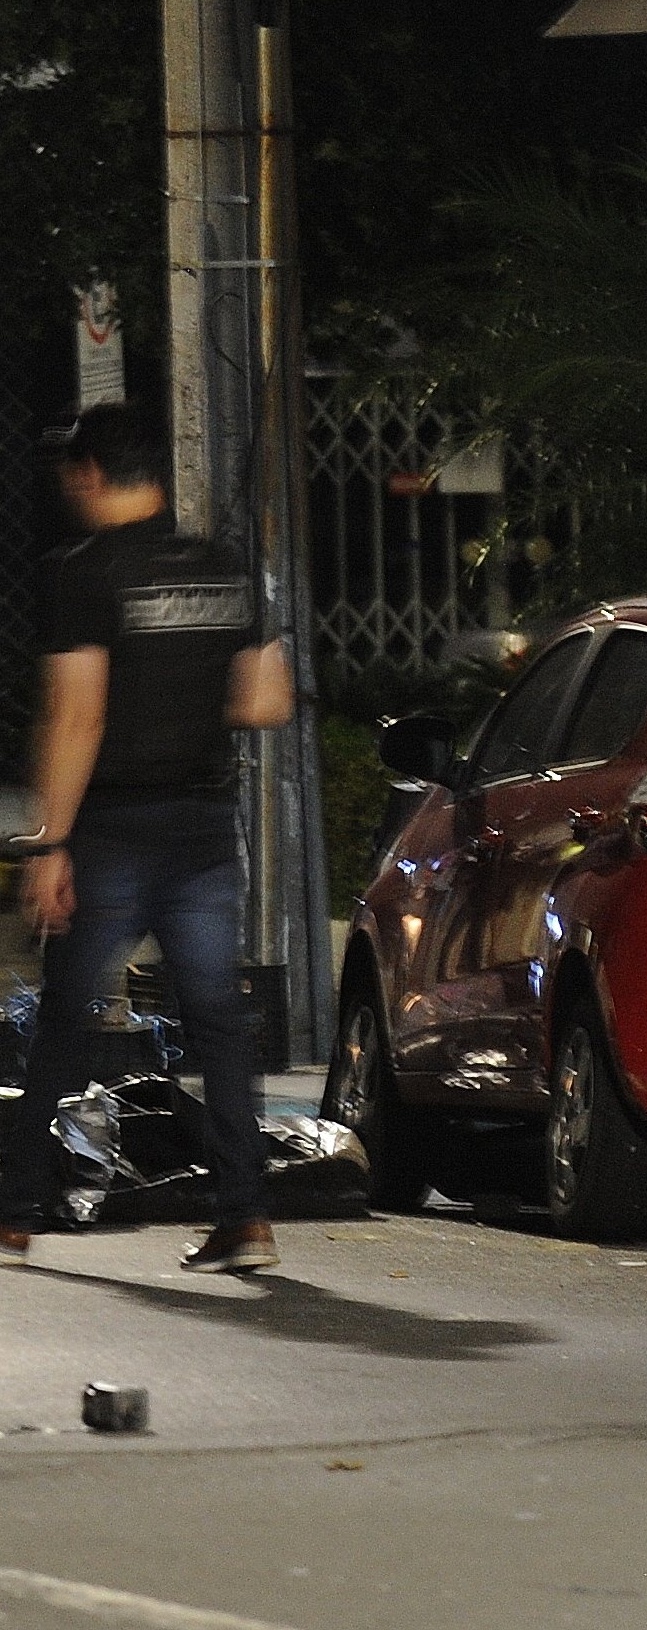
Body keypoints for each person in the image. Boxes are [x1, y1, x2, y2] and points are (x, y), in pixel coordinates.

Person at [1, 404, 293, 1273]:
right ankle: (246, 1216)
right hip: (204, 825)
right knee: (218, 1024)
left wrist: (49, 843)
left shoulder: (83, 574)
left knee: (64, 1017)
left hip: (116, 830)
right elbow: (267, 702)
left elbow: (77, 714)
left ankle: (14, 1209)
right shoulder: (223, 567)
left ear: (89, 473)